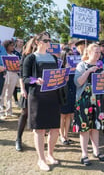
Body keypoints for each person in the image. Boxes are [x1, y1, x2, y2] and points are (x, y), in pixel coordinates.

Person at [22, 31, 62, 171]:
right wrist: (35, 80)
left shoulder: (54, 58)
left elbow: (57, 75)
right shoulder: (31, 58)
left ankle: (50, 154)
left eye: (49, 40)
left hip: (53, 97)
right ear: (38, 42)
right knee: (39, 129)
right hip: (37, 97)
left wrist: (63, 78)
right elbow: (25, 77)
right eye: (45, 40)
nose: (48, 42)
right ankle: (41, 159)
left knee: (55, 128)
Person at [73, 43, 104, 166]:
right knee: (84, 127)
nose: (98, 54)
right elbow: (78, 83)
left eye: (99, 52)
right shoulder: (81, 65)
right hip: (84, 99)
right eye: (96, 52)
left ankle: (96, 151)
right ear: (88, 52)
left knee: (96, 126)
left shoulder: (102, 65)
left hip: (98, 99)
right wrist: (88, 71)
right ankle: (84, 154)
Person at [15, 39, 36, 151]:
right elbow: (22, 74)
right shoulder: (26, 56)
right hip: (28, 87)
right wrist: (23, 89)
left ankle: (39, 138)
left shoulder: (44, 56)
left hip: (38, 88)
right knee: (25, 113)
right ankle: (18, 139)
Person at [59, 47, 76, 145]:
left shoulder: (75, 66)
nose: (71, 56)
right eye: (69, 54)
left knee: (69, 114)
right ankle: (61, 136)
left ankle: (66, 135)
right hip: (63, 93)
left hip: (72, 91)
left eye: (72, 54)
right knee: (62, 115)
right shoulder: (60, 67)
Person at [0, 40, 19, 118]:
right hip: (4, 74)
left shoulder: (14, 56)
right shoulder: (3, 55)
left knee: (10, 94)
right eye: (11, 45)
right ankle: (1, 112)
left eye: (13, 45)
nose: (13, 47)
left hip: (13, 74)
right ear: (6, 46)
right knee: (2, 94)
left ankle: (9, 111)